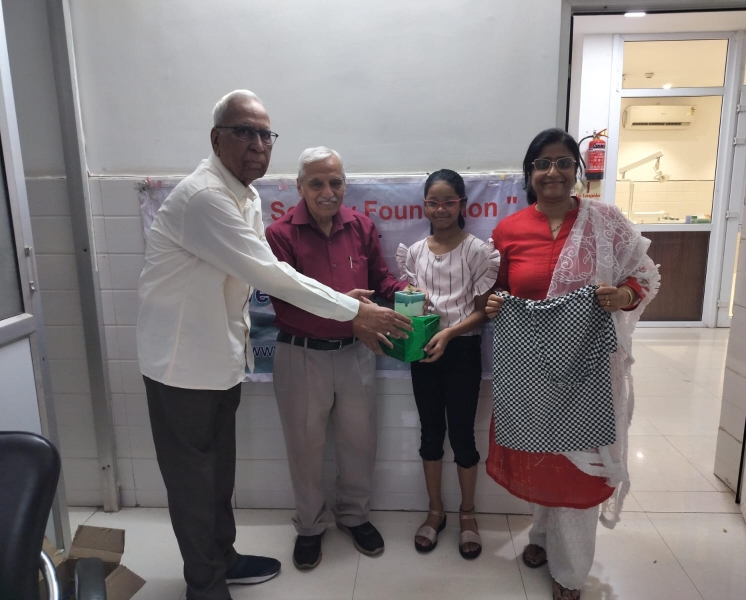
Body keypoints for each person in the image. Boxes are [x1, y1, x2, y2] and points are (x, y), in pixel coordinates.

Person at [136, 92, 410, 600]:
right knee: (194, 483)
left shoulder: (245, 196)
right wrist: (354, 312)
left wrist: (358, 305)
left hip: (219, 362)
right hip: (179, 366)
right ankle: (205, 586)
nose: (258, 144)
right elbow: (272, 276)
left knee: (218, 476)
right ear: (216, 138)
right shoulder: (205, 198)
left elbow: (265, 275)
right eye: (245, 132)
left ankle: (224, 559)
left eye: (265, 134)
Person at [485, 128, 659, 600]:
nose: (553, 172)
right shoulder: (509, 230)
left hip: (587, 370)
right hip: (531, 370)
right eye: (542, 163)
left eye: (563, 162)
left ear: (576, 170)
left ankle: (571, 572)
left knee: (581, 469)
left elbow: (643, 276)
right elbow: (495, 290)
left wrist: (622, 296)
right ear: (530, 173)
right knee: (543, 456)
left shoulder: (606, 221)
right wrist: (495, 303)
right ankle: (542, 536)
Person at [265, 147, 425, 570]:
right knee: (305, 447)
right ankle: (310, 526)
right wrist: (350, 313)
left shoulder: (360, 226)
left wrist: (407, 292)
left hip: (357, 352)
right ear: (300, 187)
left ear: (344, 185)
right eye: (316, 183)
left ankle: (354, 516)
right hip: (301, 354)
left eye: (335, 182)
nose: (327, 191)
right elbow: (285, 305)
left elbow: (380, 279)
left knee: (359, 441)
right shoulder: (280, 234)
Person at [396, 169, 499, 559]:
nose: (440, 209)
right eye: (433, 202)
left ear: (462, 205)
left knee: (462, 436)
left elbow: (483, 312)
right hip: (422, 350)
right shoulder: (415, 252)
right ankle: (435, 511)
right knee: (430, 434)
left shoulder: (478, 251)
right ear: (424, 205)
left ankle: (468, 514)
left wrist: (450, 334)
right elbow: (412, 304)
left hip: (462, 351)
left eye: (448, 202)